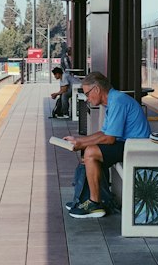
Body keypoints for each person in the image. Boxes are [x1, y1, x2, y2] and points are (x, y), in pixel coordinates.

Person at [64, 71, 150, 218]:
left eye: (87, 94)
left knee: (91, 152)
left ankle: (94, 202)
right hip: (127, 144)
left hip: (136, 147)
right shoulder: (112, 102)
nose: (86, 99)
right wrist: (78, 140)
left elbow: (109, 139)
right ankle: (89, 199)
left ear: (96, 89)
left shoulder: (117, 101)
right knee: (89, 152)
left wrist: (83, 144)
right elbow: (103, 133)